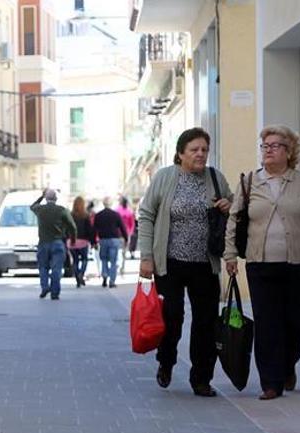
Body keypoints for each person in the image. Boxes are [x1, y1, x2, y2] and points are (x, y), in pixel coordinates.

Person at [225, 125, 300, 401]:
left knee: (296, 320)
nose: (268, 150)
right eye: (264, 146)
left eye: (275, 145)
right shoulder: (250, 182)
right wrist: (230, 254)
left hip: (296, 263)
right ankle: (271, 383)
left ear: (290, 152)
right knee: (267, 323)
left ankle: (288, 365)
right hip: (259, 263)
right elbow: (234, 219)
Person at [137, 127, 232, 397]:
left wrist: (228, 205)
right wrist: (146, 257)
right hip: (170, 262)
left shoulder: (215, 178)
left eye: (204, 149)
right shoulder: (165, 177)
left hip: (205, 263)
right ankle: (166, 361)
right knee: (172, 316)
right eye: (194, 150)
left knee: (205, 322)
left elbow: (234, 211)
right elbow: (146, 216)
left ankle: (201, 378)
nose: (200, 154)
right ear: (181, 154)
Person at [30, 188, 76, 300]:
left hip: (43, 243)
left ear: (46, 199)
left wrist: (42, 196)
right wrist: (73, 239)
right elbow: (72, 226)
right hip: (58, 243)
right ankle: (55, 293)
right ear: (56, 198)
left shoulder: (40, 209)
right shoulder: (62, 210)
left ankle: (45, 287)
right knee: (56, 268)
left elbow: (32, 206)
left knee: (43, 267)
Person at [93, 196, 128, 288]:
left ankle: (104, 275)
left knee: (103, 259)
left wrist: (94, 242)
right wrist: (126, 238)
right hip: (114, 240)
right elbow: (122, 227)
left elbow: (94, 229)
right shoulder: (115, 214)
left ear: (103, 204)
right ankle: (112, 281)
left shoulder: (98, 215)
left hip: (103, 240)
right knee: (113, 261)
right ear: (111, 204)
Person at [68, 196, 94, 288]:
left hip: (72, 241)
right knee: (84, 259)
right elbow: (90, 229)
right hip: (83, 241)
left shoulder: (70, 215)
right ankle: (81, 274)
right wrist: (92, 241)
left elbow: (67, 228)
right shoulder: (86, 216)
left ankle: (77, 278)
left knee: (75, 260)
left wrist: (67, 238)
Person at [116, 196, 136, 270]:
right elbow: (132, 224)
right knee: (124, 251)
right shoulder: (129, 211)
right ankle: (122, 266)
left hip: (118, 234)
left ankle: (119, 264)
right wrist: (130, 232)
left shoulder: (117, 210)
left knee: (118, 250)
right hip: (126, 234)